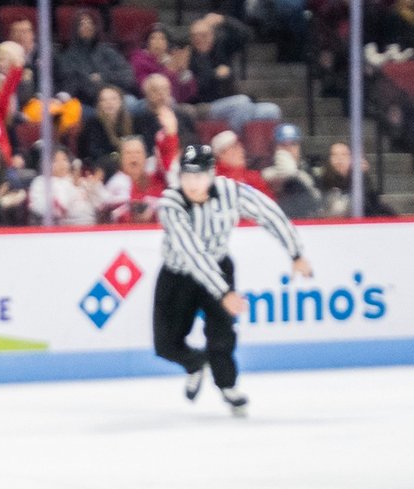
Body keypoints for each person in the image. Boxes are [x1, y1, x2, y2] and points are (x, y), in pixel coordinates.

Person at [154, 145, 311, 416]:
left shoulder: (231, 192)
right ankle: (195, 364)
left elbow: (270, 214)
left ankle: (228, 386)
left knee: (222, 334)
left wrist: (295, 252)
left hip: (219, 266)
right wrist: (224, 291)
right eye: (187, 176)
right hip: (178, 275)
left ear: (212, 174)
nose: (192, 183)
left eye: (199, 175)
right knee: (166, 344)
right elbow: (192, 253)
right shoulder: (171, 203)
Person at [186, 15, 281, 130]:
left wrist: (224, 20)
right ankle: (232, 142)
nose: (199, 39)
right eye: (195, 36)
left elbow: (245, 35)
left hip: (232, 102)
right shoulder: (189, 57)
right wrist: (214, 75)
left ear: (212, 35)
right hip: (206, 106)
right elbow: (194, 88)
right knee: (242, 102)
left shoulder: (220, 49)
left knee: (272, 110)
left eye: (204, 35)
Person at [56, 10, 136, 103]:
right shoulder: (68, 57)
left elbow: (128, 76)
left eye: (90, 23)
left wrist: (103, 77)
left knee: (132, 103)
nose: (87, 26)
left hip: (116, 98)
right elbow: (72, 86)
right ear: (75, 29)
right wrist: (99, 92)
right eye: (82, 24)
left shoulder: (107, 50)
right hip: (87, 103)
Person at [315, 141, 395, 217]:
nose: (339, 159)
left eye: (344, 154)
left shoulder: (359, 178)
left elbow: (369, 205)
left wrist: (362, 175)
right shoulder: (322, 180)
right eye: (334, 155)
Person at [260, 123, 322, 218]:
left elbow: (317, 200)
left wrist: (297, 175)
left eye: (293, 144)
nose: (288, 149)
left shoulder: (308, 170)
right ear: (275, 148)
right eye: (283, 145)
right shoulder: (265, 171)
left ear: (299, 147)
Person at [29, 148, 102, 226]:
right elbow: (59, 209)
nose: (61, 164)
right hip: (64, 229)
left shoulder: (76, 180)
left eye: (64, 159)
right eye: (55, 161)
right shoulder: (41, 182)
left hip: (92, 225)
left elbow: (99, 204)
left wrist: (94, 187)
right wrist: (73, 187)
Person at [103, 136, 167, 223]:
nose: (133, 156)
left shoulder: (158, 181)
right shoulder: (114, 185)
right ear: (121, 159)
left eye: (138, 152)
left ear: (145, 157)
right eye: (128, 153)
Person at [78, 85, 135, 164]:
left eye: (113, 99)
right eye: (103, 100)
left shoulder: (132, 120)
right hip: (104, 165)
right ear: (99, 104)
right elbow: (94, 152)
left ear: (121, 101)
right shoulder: (94, 123)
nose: (109, 103)